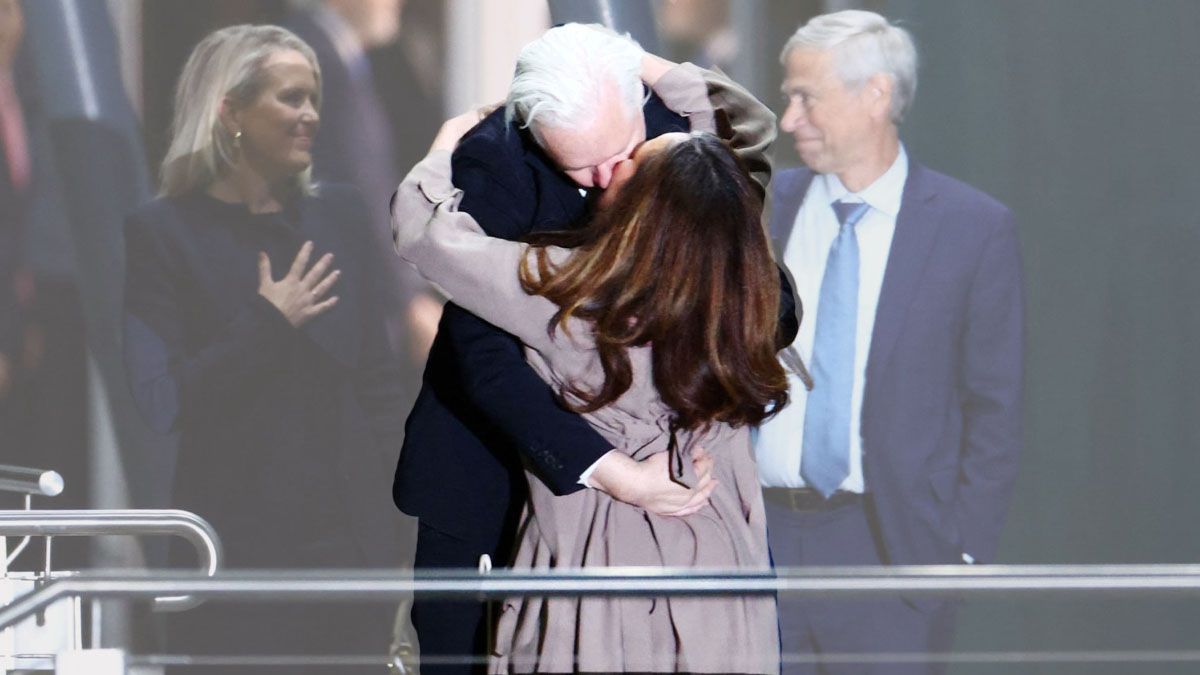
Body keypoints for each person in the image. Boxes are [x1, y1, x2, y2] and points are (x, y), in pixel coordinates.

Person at [391, 23, 798, 673]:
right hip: (701, 517)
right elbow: (749, 128)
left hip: (601, 536)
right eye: (587, 165)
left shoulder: (559, 287)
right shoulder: (728, 255)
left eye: (629, 159)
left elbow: (424, 231)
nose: (610, 174)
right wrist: (633, 59)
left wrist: (440, 145)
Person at [122, 24, 409, 672]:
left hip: (348, 551)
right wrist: (266, 321)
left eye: (314, 98)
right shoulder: (161, 234)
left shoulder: (340, 215)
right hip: (233, 553)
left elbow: (379, 385)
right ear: (230, 112)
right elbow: (162, 400)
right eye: (289, 98)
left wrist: (398, 524)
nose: (310, 114)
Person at [754, 11, 1024, 674]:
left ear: (875, 94)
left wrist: (959, 554)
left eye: (805, 97)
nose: (789, 120)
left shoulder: (972, 228)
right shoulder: (762, 210)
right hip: (758, 540)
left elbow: (996, 405)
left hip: (891, 546)